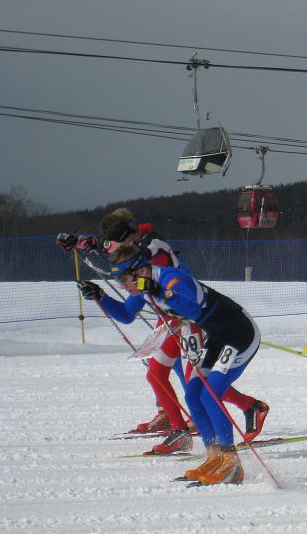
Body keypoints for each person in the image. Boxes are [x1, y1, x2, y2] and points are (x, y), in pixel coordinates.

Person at [59, 208, 268, 453]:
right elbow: (126, 304)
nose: (110, 249)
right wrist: (100, 293)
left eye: (113, 244)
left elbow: (141, 274)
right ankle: (188, 428)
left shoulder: (152, 250)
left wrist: (93, 247)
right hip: (172, 319)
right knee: (171, 377)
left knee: (196, 382)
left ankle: (230, 418)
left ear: (128, 238)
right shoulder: (135, 254)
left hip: (192, 320)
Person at [78, 243, 265, 485]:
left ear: (140, 271)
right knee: (194, 395)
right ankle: (214, 455)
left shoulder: (171, 279)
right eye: (118, 281)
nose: (123, 285)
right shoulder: (144, 287)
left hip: (240, 334)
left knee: (211, 395)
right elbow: (125, 315)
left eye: (124, 278)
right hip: (218, 338)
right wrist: (101, 296)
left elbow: (191, 308)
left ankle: (232, 463)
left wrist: (159, 291)